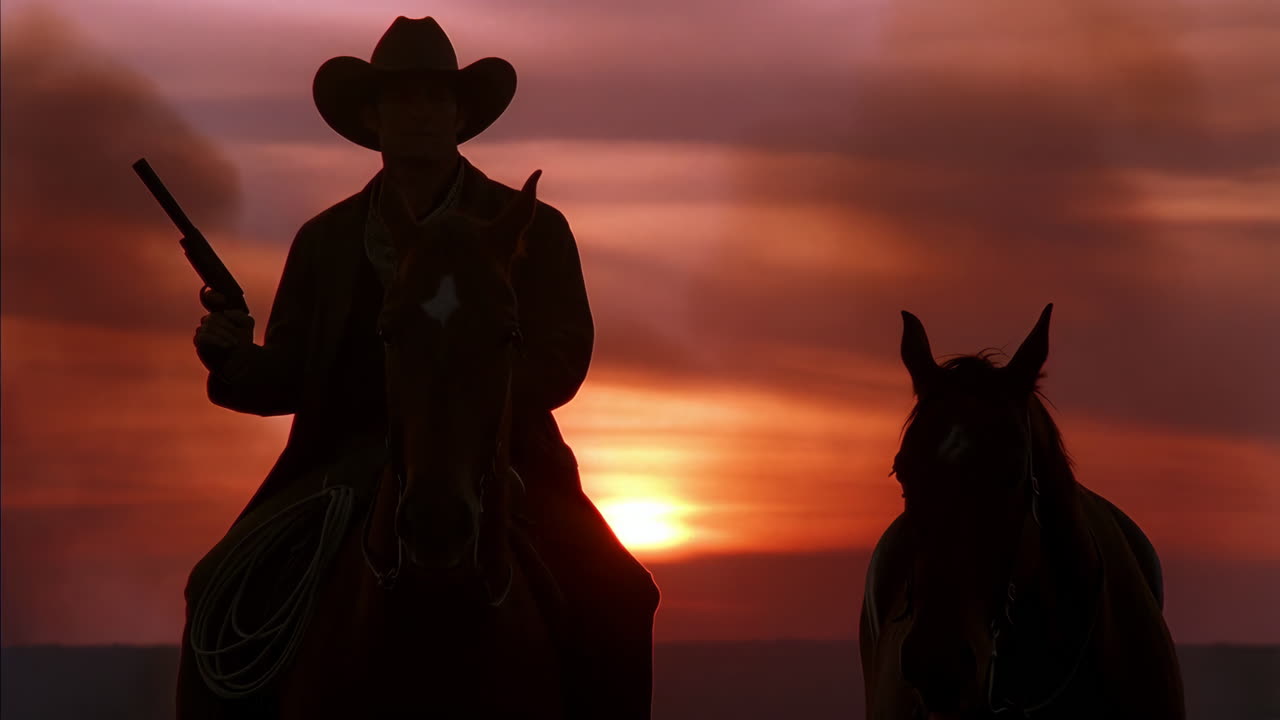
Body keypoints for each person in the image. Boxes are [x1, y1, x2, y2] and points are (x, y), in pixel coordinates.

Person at [182, 15, 660, 719]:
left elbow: (563, 357)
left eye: (435, 99)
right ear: (370, 118)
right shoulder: (326, 240)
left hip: (507, 461)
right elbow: (285, 376)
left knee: (621, 593)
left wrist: (467, 409)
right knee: (217, 585)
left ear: (461, 115)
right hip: (338, 471)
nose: (418, 113)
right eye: (399, 99)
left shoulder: (534, 227)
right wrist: (230, 359)